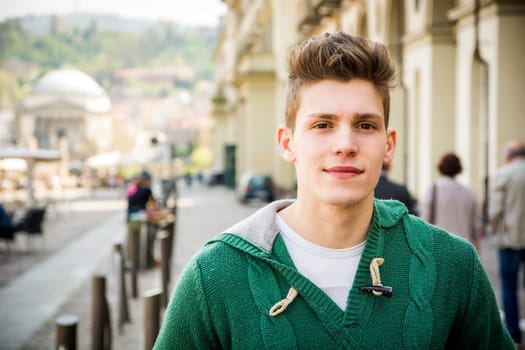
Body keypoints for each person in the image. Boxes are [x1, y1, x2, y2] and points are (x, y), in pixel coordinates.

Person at [153, 32, 513, 349]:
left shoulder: (453, 266)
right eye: (323, 124)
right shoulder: (215, 275)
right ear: (287, 142)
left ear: (388, 145)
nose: (345, 144)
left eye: (365, 125)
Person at [488, 139, 525, 344]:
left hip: (510, 239)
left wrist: (492, 230)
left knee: (509, 288)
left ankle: (514, 335)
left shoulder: (504, 174)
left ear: (508, 156)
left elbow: (495, 210)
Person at [419, 153, 479, 249]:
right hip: (463, 247)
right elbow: (474, 228)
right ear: (459, 169)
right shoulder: (469, 193)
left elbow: (424, 222)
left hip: (439, 247)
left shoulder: (432, 190)